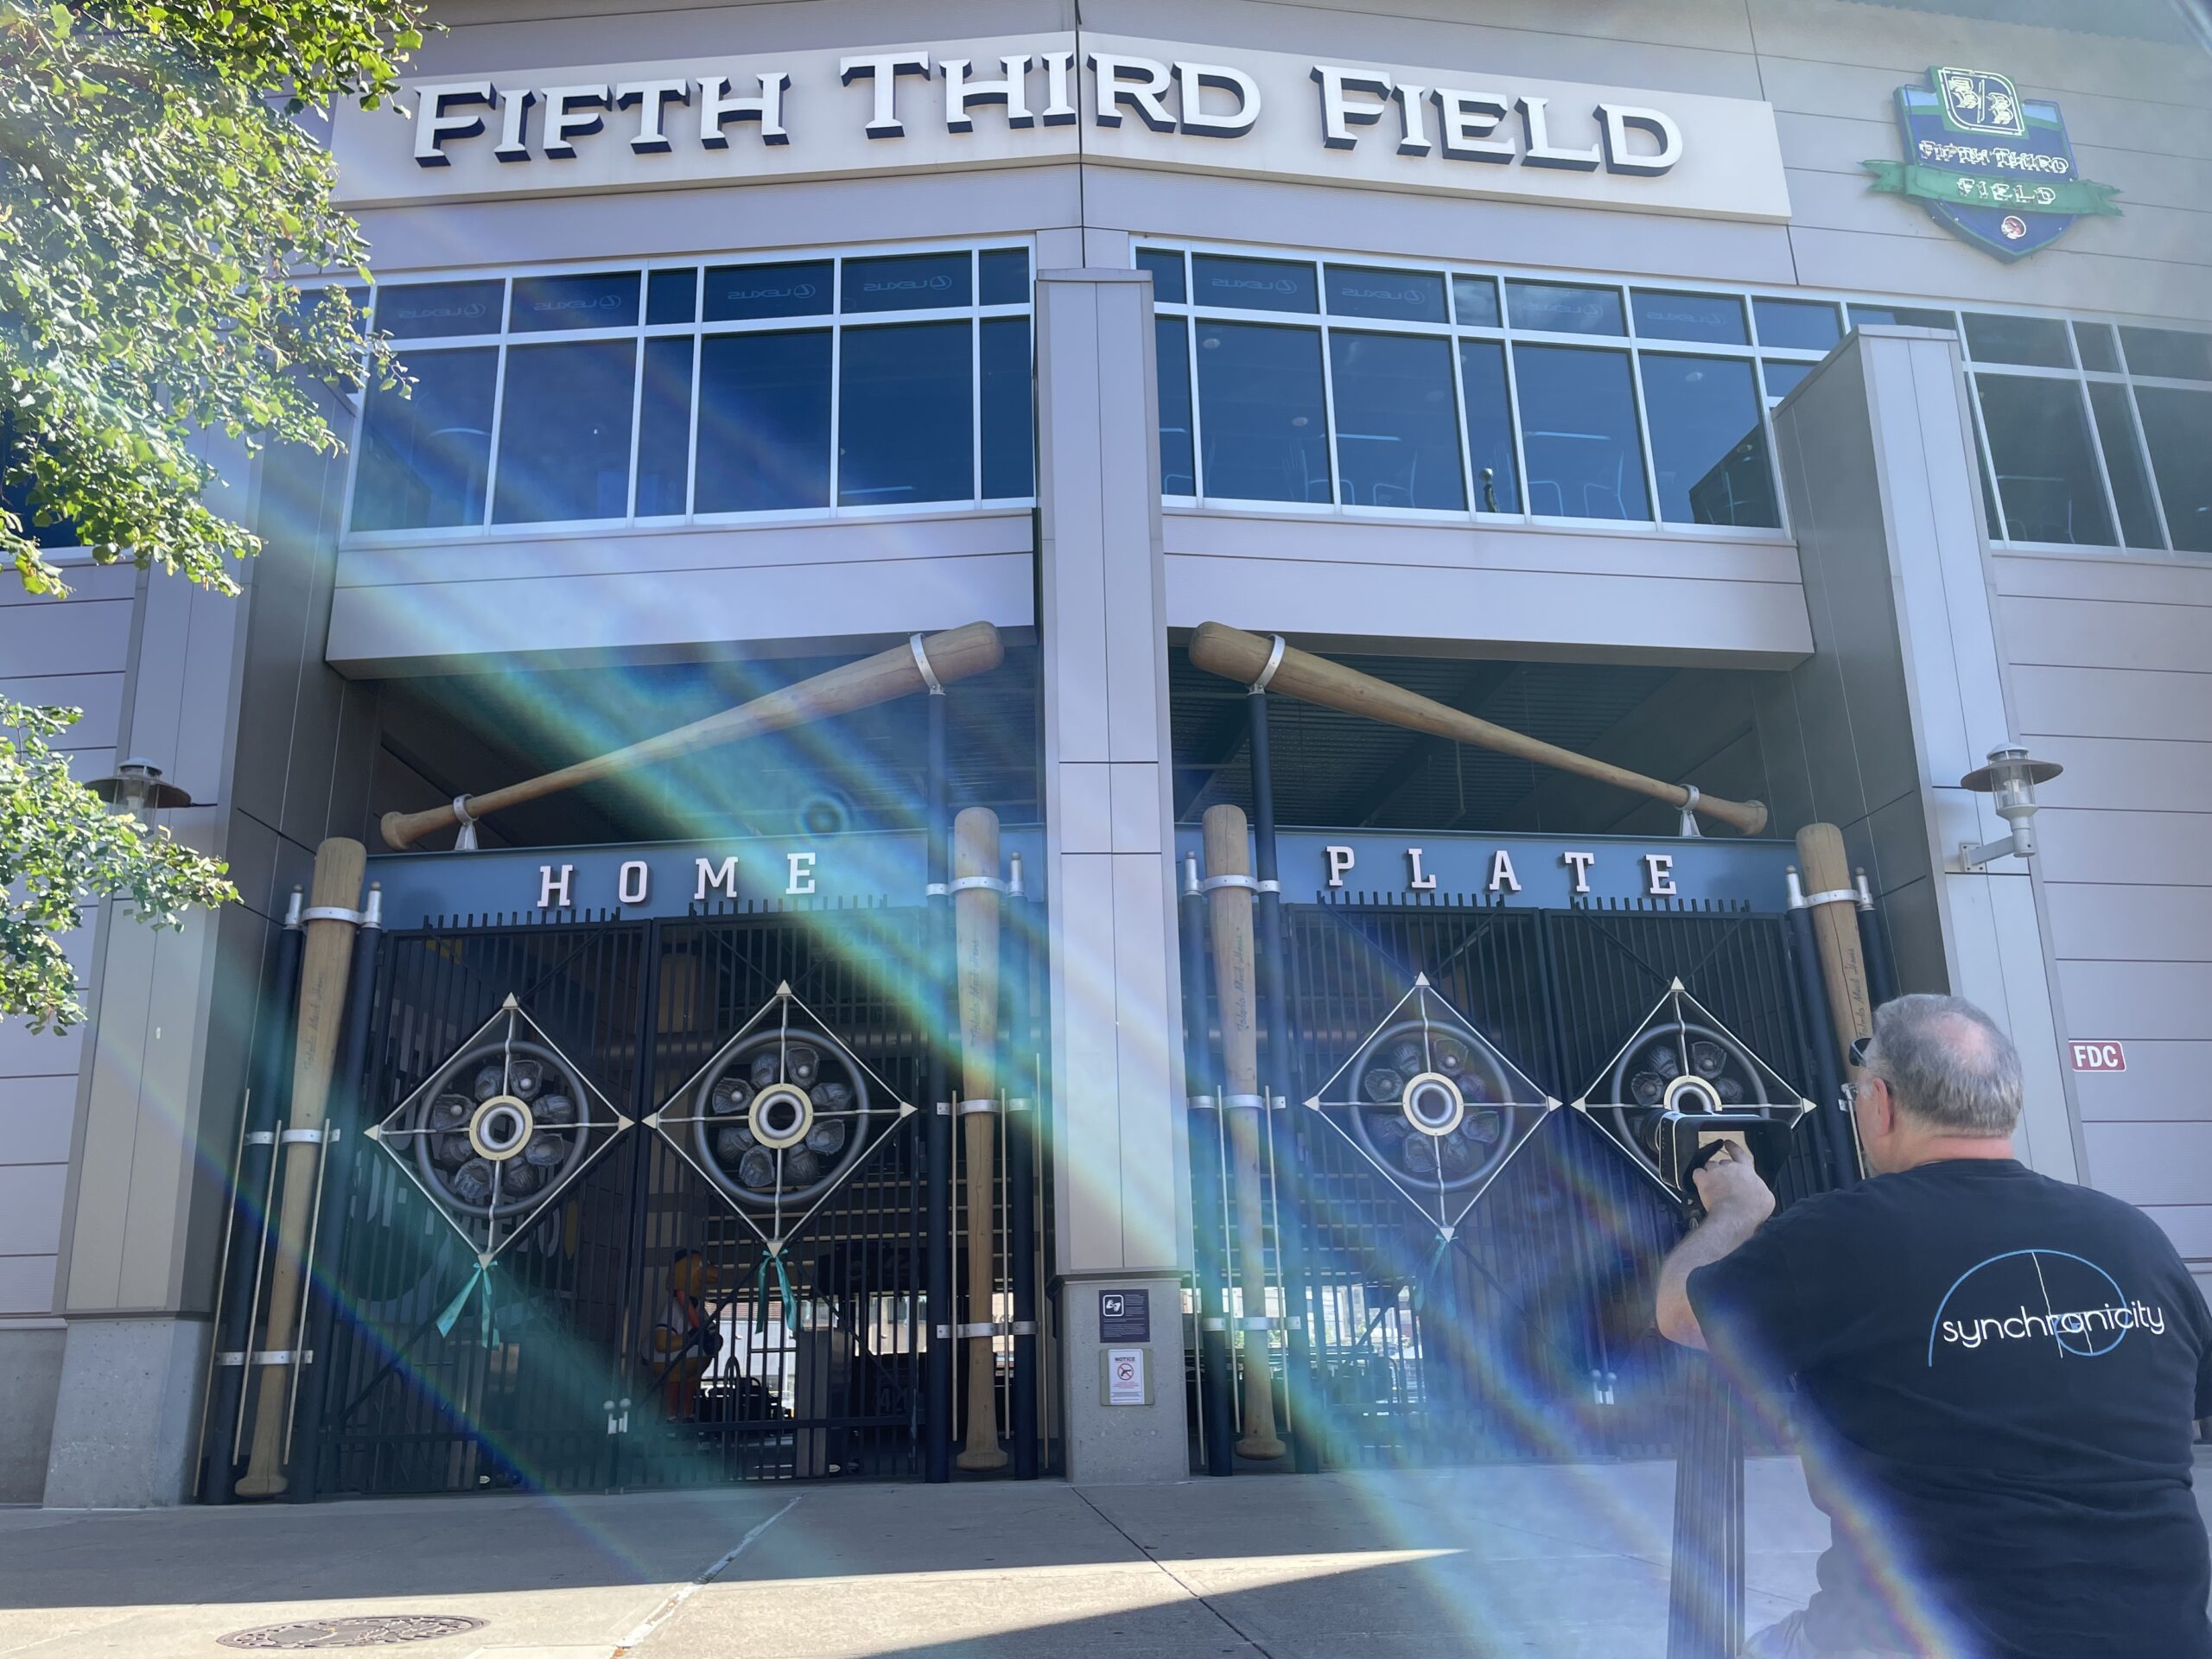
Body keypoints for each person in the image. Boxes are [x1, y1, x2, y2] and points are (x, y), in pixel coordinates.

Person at [1654, 993, 2212, 1659]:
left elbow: (1680, 1314)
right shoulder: (2135, 1238)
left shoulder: (1844, 1234)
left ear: (1882, 1102)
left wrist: (1736, 1210)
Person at [645, 1248, 723, 1421]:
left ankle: (687, 1416)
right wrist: (689, 1338)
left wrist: (715, 1340)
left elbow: (710, 1331)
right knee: (673, 1385)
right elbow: (661, 1342)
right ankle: (670, 1418)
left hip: (693, 1369)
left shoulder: (698, 1309)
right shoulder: (673, 1308)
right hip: (673, 1366)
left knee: (689, 1387)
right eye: (703, 1265)